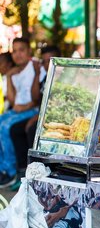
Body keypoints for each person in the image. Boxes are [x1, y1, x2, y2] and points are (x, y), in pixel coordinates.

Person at [9, 45, 61, 191]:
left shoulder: (62, 78)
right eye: (44, 61)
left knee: (32, 129)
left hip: (54, 118)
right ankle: (22, 171)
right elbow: (35, 97)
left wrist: (35, 118)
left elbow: (53, 108)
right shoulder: (45, 76)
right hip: (41, 114)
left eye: (50, 60)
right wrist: (38, 74)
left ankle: (39, 173)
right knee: (15, 129)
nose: (47, 64)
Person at [0, 38, 44, 187]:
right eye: (15, 51)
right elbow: (13, 102)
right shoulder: (15, 71)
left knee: (6, 127)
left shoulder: (36, 66)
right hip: (18, 110)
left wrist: (25, 107)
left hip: (32, 111)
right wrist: (9, 77)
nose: (17, 54)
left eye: (21, 50)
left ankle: (11, 171)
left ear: (29, 51)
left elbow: (36, 98)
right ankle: (3, 167)